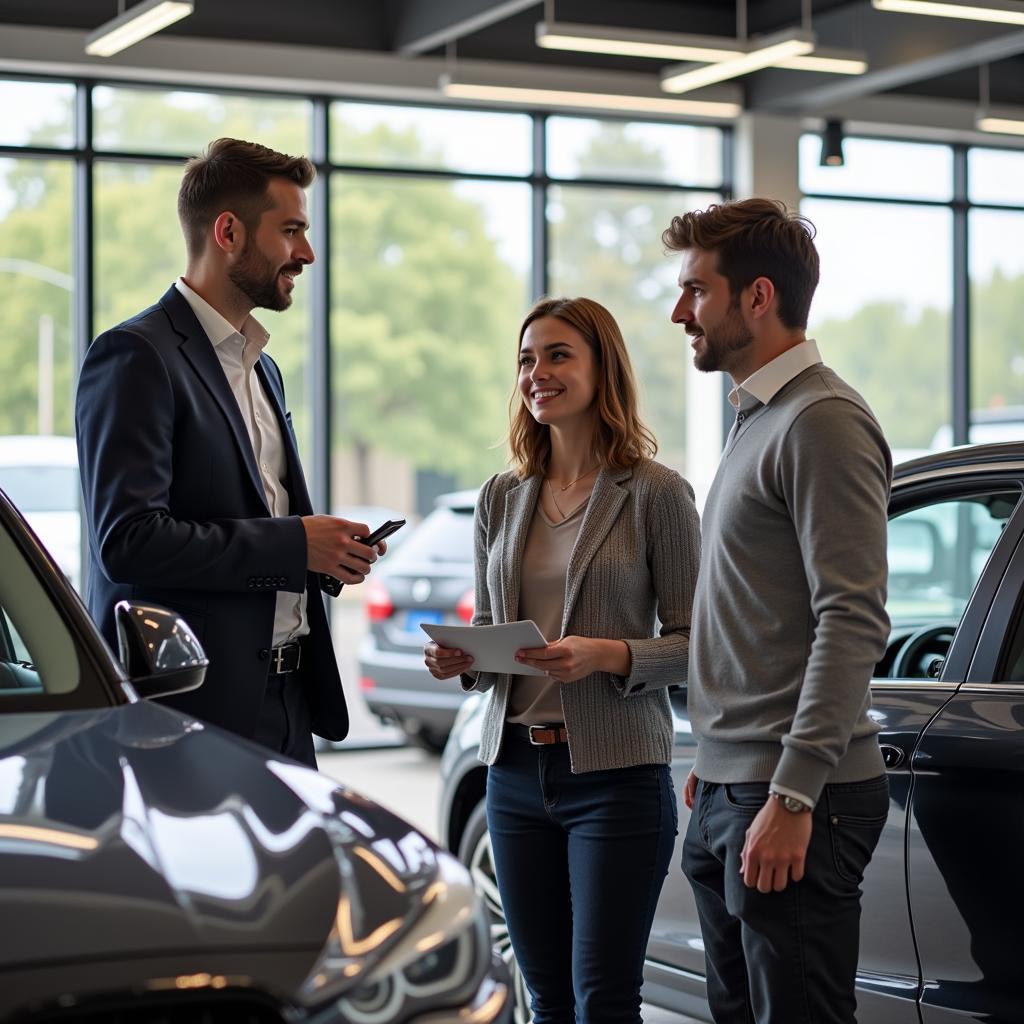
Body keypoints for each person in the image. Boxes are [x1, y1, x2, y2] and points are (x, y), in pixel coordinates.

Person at [424, 296, 700, 1024]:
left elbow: (699, 644)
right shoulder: (502, 496)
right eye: (525, 359)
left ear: (600, 367)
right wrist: (465, 659)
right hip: (512, 775)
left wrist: (607, 653)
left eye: (556, 355)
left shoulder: (657, 493)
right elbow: (492, 632)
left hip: (614, 777)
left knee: (602, 1000)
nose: (536, 373)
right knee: (543, 996)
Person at [76, 137, 386, 768]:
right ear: (228, 231)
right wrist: (294, 544)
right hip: (192, 712)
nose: (307, 253)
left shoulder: (261, 368)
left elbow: (249, 518)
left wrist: (323, 557)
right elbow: (129, 540)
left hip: (290, 699)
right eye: (292, 230)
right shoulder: (136, 356)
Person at [666, 198, 891, 1024]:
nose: (678, 310)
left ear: (757, 298)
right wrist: (717, 754)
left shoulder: (822, 421)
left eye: (695, 290)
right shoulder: (758, 418)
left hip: (797, 797)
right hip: (733, 783)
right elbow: (757, 609)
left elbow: (854, 619)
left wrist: (793, 795)